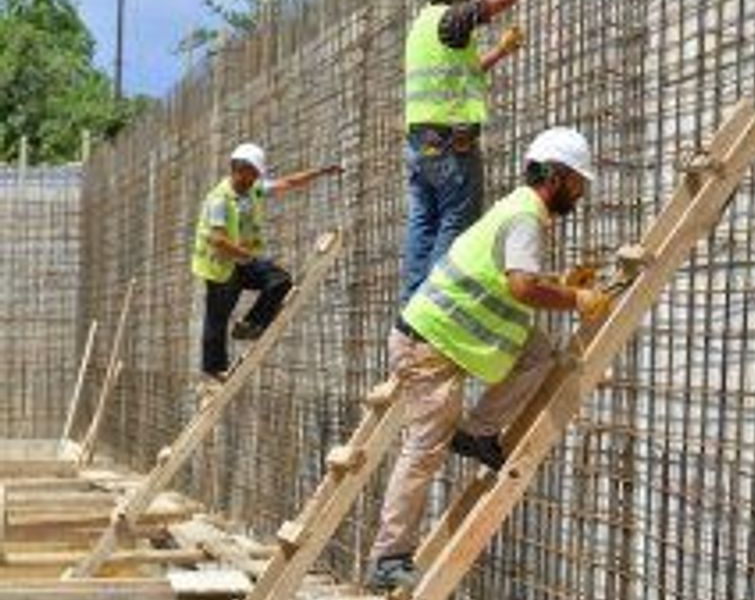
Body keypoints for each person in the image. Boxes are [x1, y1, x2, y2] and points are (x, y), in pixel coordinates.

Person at [366, 127, 611, 592]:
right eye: (578, 182)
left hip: (444, 338)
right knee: (424, 450)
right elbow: (521, 288)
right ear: (556, 177)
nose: (581, 193)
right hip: (429, 345)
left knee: (537, 353)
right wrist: (576, 299)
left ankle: (478, 432)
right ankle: (389, 556)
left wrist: (561, 284)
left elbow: (508, 278)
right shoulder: (526, 217)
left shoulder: (517, 208)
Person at [399, 0, 551, 305]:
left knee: (423, 222)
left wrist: (500, 50)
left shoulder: (421, 28)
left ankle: (413, 303)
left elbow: (462, 73)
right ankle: (435, 303)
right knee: (456, 219)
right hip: (450, 143)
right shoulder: (453, 17)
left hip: (418, 143)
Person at [190, 142, 342, 381]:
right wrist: (247, 256)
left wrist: (320, 172)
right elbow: (218, 240)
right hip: (220, 266)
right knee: (217, 318)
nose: (255, 178)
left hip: (242, 260)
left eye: (256, 174)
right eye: (252, 173)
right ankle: (214, 368)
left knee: (280, 281)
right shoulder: (218, 199)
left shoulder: (254, 190)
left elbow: (288, 183)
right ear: (238, 168)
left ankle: (250, 325)